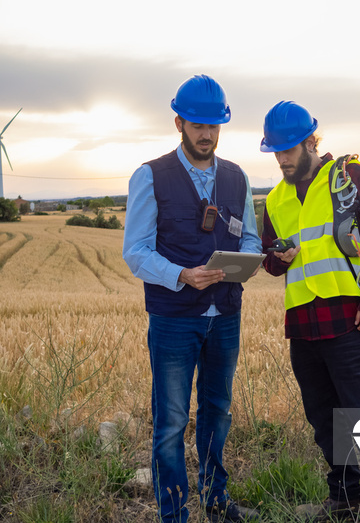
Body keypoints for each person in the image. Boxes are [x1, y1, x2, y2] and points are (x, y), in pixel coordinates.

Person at [259, 101, 360, 523]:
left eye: (289, 148)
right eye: (276, 150)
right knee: (324, 422)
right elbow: (270, 261)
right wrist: (279, 259)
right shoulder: (274, 199)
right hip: (302, 326)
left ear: (312, 141)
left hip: (347, 321)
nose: (282, 158)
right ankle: (344, 500)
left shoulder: (349, 177)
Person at [123, 75, 262, 523]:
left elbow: (251, 240)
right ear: (179, 123)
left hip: (225, 315)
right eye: (197, 125)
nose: (206, 134)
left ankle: (215, 499)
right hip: (173, 319)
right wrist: (182, 274)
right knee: (171, 423)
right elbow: (136, 252)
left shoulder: (237, 177)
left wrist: (250, 261)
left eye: (214, 126)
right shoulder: (150, 176)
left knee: (218, 412)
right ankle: (173, 513)